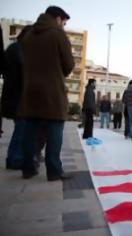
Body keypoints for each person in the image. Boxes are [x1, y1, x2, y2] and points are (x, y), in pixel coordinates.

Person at [19, 6, 74, 180]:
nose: (63, 26)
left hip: (30, 90)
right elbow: (69, 64)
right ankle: (54, 171)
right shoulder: (58, 34)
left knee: (29, 131)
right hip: (52, 91)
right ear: (58, 19)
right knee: (55, 129)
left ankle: (27, 168)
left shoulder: (28, 35)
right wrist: (57, 73)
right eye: (63, 23)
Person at [1, 26, 32, 169]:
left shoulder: (15, 48)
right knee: (22, 127)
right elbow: (22, 71)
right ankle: (15, 159)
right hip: (17, 96)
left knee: (21, 127)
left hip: (15, 95)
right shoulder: (18, 50)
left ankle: (13, 158)